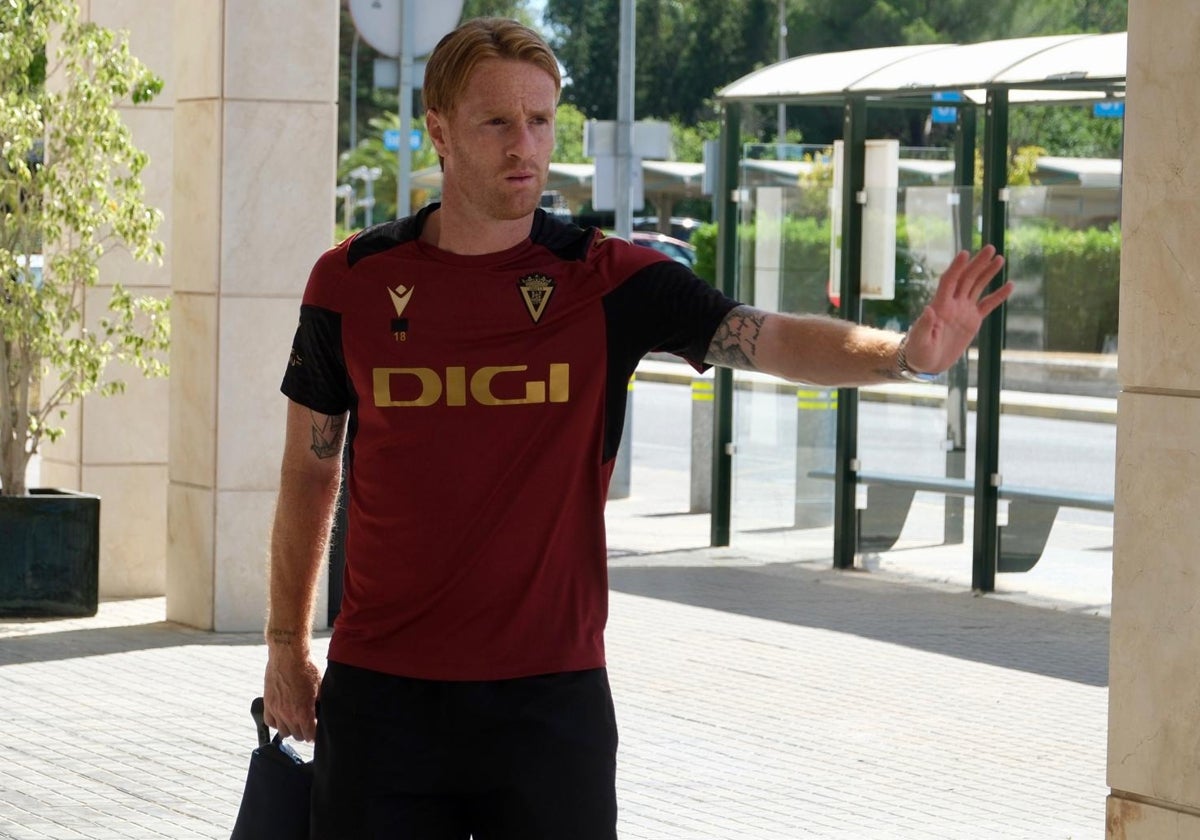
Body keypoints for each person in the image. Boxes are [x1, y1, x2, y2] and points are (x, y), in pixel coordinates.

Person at [262, 16, 1011, 840]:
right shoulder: (351, 282)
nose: (525, 145)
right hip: (383, 697)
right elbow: (310, 468)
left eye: (541, 121)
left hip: (550, 702)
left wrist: (904, 356)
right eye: (497, 123)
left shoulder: (605, 279)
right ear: (439, 132)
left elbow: (764, 335)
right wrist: (286, 645)